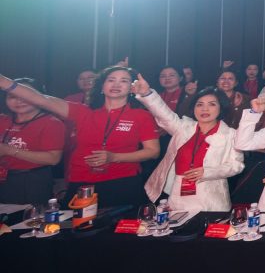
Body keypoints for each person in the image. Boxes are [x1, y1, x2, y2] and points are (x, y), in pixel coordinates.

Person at [0, 65, 160, 207]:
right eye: (111, 80)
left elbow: (153, 151)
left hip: (123, 182)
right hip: (81, 183)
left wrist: (114, 157)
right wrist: (4, 81)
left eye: (124, 81)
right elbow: (41, 99)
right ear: (101, 86)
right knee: (75, 229)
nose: (116, 84)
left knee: (121, 230)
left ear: (132, 88)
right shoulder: (82, 112)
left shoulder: (141, 115)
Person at [134, 74, 244, 211]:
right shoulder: (182, 128)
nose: (204, 109)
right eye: (199, 104)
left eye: (212, 104)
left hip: (212, 199)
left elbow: (236, 165)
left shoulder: (231, 134)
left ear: (221, 108)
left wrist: (208, 172)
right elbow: (163, 114)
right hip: (178, 196)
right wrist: (147, 93)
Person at [0, 78, 66, 204]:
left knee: (27, 216)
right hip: (4, 177)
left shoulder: (52, 123)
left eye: (24, 95)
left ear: (38, 97)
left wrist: (8, 150)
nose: (19, 101)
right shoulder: (3, 119)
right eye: (12, 96)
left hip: (31, 180)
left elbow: (53, 159)